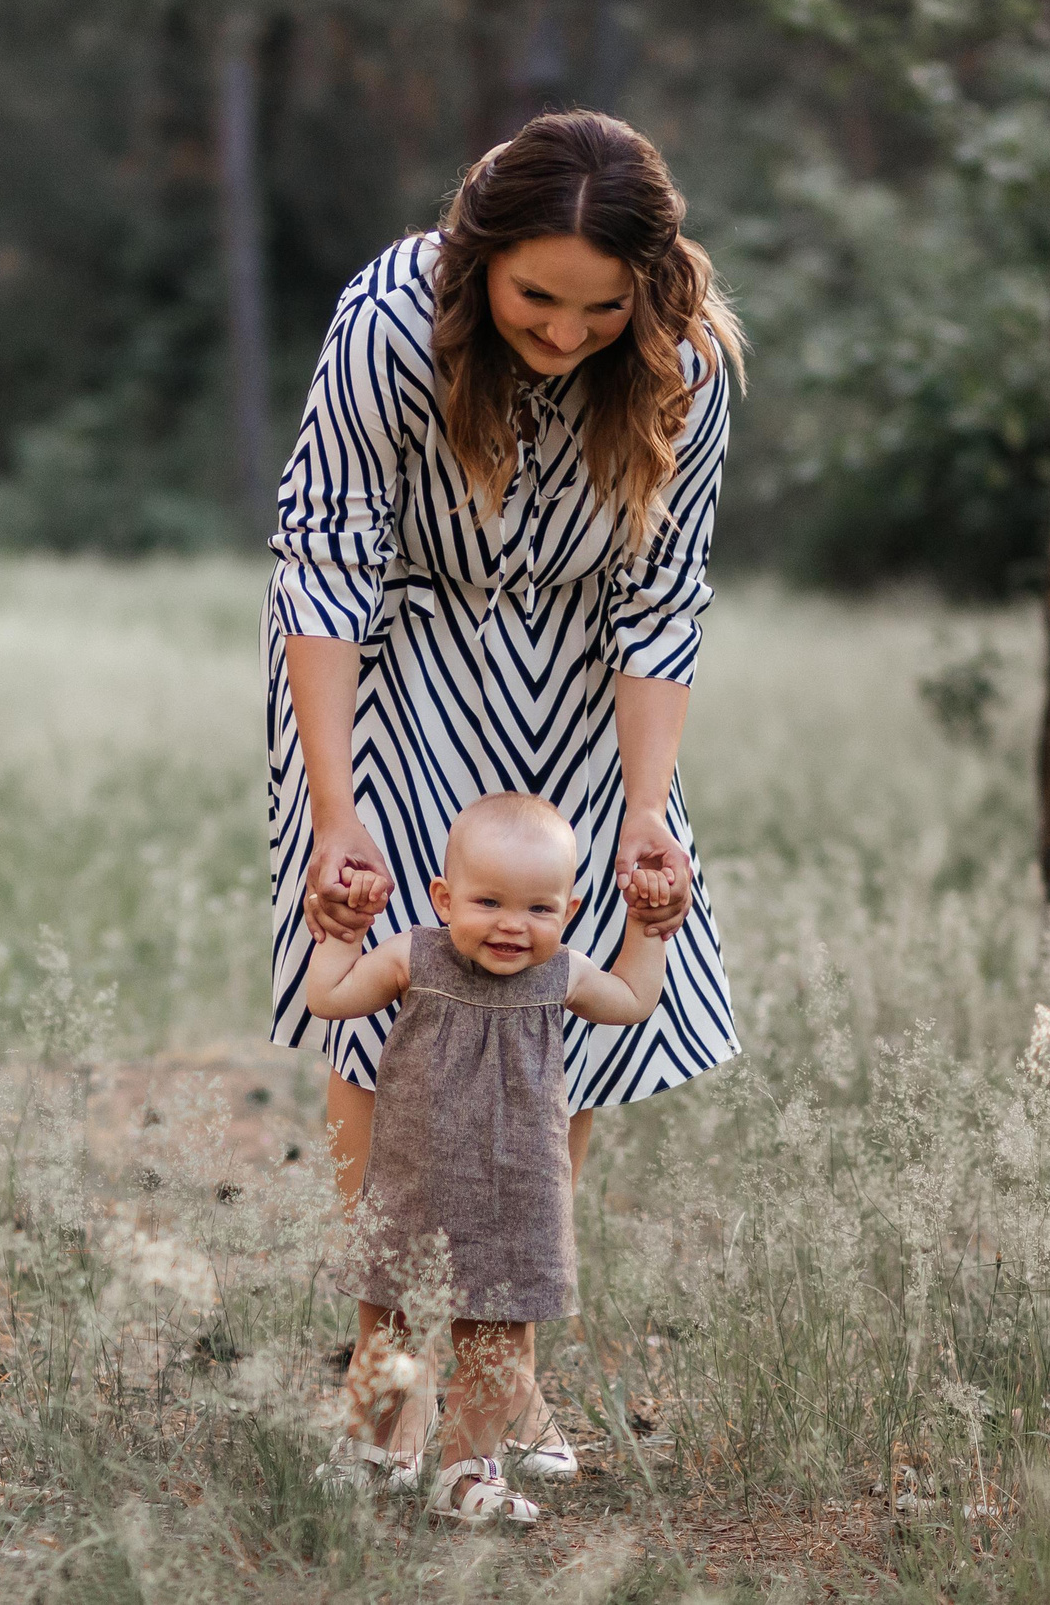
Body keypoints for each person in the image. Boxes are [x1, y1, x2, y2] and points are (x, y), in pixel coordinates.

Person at [262, 109, 746, 1475]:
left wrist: (649, 811)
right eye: (538, 295)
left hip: (585, 673)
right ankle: (382, 1368)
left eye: (603, 306)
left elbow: (662, 596)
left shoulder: (683, 366)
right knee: (399, 999)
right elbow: (327, 559)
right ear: (480, 257)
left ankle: (500, 1367)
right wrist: (334, 800)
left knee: (553, 981)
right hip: (389, 663)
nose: (565, 331)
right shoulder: (388, 324)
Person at [304, 794, 668, 1524]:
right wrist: (346, 930)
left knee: (497, 1345)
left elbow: (631, 999)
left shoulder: (562, 972)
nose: (512, 924)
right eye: (489, 901)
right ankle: (371, 1452)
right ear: (445, 897)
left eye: (538, 908)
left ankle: (466, 1471)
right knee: (393, 1318)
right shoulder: (416, 955)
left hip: (516, 1194)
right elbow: (329, 996)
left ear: (569, 908)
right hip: (418, 1185)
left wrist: (649, 927)